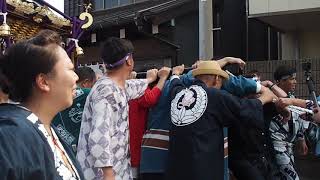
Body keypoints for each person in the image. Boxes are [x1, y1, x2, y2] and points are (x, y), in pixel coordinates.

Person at [166, 60, 276, 180]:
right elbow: (243, 109)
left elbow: (174, 85)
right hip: (203, 167)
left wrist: (175, 74)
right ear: (217, 78)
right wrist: (264, 98)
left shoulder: (179, 95)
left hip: (176, 167)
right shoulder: (215, 95)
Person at [0, 30, 84, 179]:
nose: (76, 77)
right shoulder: (10, 136)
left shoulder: (45, 128)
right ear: (44, 82)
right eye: (70, 69)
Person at [76, 37, 158, 180]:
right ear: (129, 61)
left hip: (117, 169)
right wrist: (108, 175)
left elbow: (131, 87)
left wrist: (150, 80)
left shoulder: (114, 86)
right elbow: (99, 136)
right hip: (100, 174)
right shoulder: (107, 91)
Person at [53, 66, 97, 153]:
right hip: (86, 149)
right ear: (86, 83)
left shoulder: (54, 99)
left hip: (63, 149)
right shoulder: (89, 94)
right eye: (94, 83)